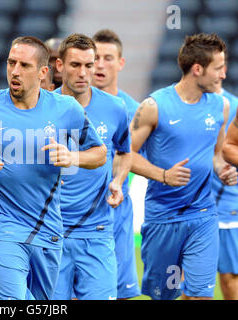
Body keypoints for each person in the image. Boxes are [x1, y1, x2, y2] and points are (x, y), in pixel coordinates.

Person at [0, 36, 107, 300]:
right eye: (11, 62)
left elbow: (100, 153)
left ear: (43, 72)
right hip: (5, 229)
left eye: (24, 65)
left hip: (49, 232)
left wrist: (72, 157)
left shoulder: (66, 109)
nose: (14, 71)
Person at [130, 33, 237, 300]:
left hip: (203, 215)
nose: (223, 75)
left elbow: (216, 155)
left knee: (201, 294)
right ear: (197, 69)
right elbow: (125, 154)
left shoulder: (221, 106)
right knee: (164, 295)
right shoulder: (154, 106)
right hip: (163, 218)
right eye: (218, 68)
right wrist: (163, 175)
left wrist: (223, 169)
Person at [51, 34, 131, 300]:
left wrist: (118, 180)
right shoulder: (41, 108)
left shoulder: (115, 108)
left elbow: (124, 153)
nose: (84, 72)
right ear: (59, 66)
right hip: (51, 231)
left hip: (96, 231)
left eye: (89, 64)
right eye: (75, 65)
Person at [92, 29, 141, 299]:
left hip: (117, 214)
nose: (100, 64)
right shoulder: (71, 107)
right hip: (76, 215)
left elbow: (140, 157)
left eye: (108, 58)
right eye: (95, 57)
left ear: (120, 63)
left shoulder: (135, 111)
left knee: (121, 294)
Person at [211, 67, 238, 300]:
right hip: (191, 205)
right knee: (189, 284)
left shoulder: (233, 105)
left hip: (229, 205)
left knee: (230, 281)